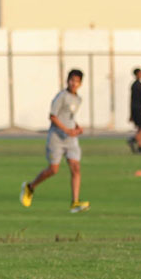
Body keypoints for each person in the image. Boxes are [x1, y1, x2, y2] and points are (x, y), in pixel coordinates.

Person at [20, 69, 89, 213]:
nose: (73, 83)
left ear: (80, 83)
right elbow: (53, 116)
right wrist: (66, 130)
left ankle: (75, 202)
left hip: (71, 139)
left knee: (76, 168)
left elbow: (69, 116)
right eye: (71, 80)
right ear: (67, 81)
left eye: (76, 81)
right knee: (53, 170)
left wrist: (76, 127)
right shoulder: (61, 97)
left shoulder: (78, 99)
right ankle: (30, 187)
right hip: (57, 138)